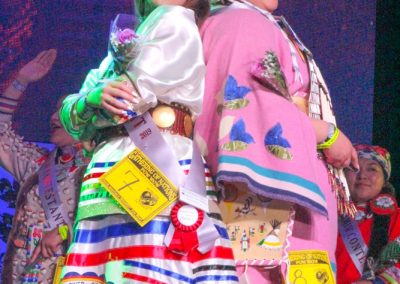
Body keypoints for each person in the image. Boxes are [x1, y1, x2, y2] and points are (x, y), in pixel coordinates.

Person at [58, 0, 238, 283]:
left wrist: (87, 103)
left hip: (152, 159)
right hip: (113, 169)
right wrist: (91, 100)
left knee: (146, 260)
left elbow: (126, 99)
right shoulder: (135, 36)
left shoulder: (176, 19)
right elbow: (71, 115)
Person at [194, 0, 358, 282]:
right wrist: (325, 133)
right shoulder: (243, 22)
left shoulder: (250, 20)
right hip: (274, 207)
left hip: (284, 205)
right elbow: (245, 109)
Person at [0, 50, 88, 283]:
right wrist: (21, 81)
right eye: (53, 111)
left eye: (63, 112)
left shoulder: (101, 166)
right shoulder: (38, 164)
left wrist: (62, 232)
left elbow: (112, 221)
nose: (53, 117)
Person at [336, 144, 400, 284]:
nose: (362, 175)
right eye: (354, 168)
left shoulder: (397, 218)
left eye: (372, 169)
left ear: (384, 180)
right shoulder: (328, 215)